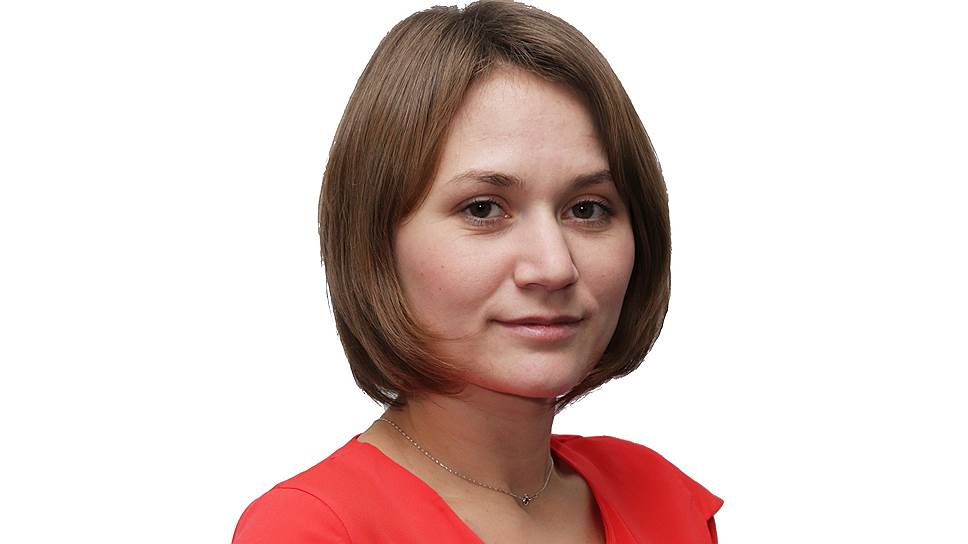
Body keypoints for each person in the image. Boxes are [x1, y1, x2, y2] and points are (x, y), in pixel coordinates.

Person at [233, 1, 722, 542]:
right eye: (484, 209)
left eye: (587, 209)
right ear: (375, 241)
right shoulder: (315, 528)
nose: (553, 267)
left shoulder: (661, 498)